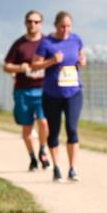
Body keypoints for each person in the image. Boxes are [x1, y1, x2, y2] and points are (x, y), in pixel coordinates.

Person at [31, 11, 85, 182]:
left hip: (73, 92)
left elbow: (81, 57)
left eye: (68, 26)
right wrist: (52, 61)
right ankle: (56, 168)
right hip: (52, 94)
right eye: (62, 26)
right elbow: (34, 64)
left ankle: (72, 169)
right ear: (55, 25)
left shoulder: (76, 39)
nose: (65, 29)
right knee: (54, 132)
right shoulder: (46, 42)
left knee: (72, 129)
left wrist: (82, 60)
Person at [3, 10, 51, 171]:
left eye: (36, 22)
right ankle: (32, 158)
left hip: (44, 89)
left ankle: (43, 149)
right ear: (25, 23)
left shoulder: (47, 42)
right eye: (30, 21)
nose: (33, 24)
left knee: (44, 122)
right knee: (27, 127)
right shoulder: (19, 44)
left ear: (41, 24)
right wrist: (20, 67)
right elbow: (6, 66)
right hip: (23, 90)